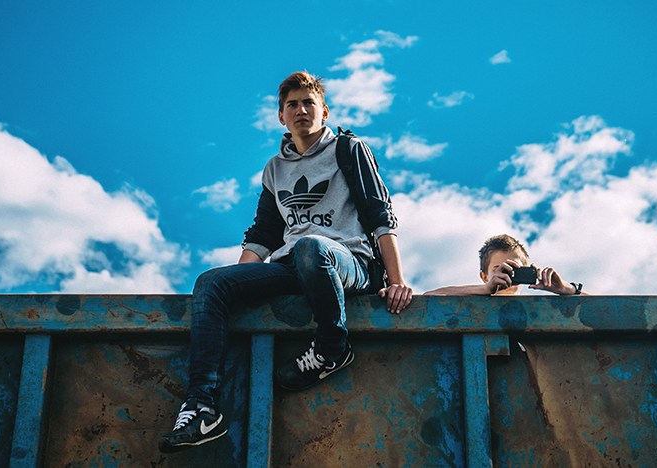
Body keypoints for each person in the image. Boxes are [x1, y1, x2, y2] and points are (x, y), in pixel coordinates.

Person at [159, 71, 412, 453]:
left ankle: (332, 347)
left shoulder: (348, 149)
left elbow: (380, 214)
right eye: (291, 104)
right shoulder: (275, 169)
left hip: (347, 263)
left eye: (308, 103)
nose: (300, 110)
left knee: (313, 247)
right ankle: (202, 407)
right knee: (212, 282)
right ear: (281, 116)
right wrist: (238, 279)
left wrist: (396, 280)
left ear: (324, 111)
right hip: (296, 265)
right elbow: (262, 234)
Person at [424, 234, 590, 296]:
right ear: (484, 276)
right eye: (499, 270)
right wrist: (485, 290)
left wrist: (565, 289)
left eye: (514, 269)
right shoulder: (475, 297)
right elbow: (429, 297)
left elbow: (609, 311)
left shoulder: (539, 307)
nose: (507, 275)